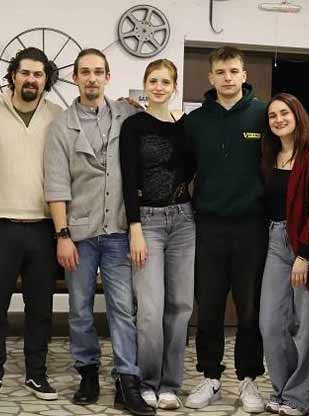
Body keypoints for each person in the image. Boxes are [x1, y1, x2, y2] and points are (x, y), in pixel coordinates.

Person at [43, 48, 154, 416]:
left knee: (123, 309)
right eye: (85, 72)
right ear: (75, 77)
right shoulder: (61, 126)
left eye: (98, 72)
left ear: (108, 77)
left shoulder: (127, 116)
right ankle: (87, 373)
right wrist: (62, 235)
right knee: (80, 309)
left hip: (119, 231)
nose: (92, 78)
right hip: (80, 235)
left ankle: (127, 380)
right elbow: (56, 184)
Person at [0, 47, 63, 403]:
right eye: (25, 72)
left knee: (40, 309)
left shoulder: (57, 115)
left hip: (43, 226)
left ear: (46, 80)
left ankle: (36, 374)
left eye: (38, 74)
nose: (31, 80)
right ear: (13, 75)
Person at [183, 46, 268, 414]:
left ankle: (248, 379)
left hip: (252, 227)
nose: (228, 78)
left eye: (234, 71)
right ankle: (210, 377)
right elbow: (181, 168)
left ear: (244, 75)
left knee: (250, 309)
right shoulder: (195, 121)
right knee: (210, 306)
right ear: (211, 77)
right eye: (221, 72)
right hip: (209, 226)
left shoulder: (263, 115)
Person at [119, 59, 194, 411]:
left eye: (166, 81)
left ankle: (170, 385)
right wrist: (134, 227)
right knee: (150, 308)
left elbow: (194, 170)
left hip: (184, 220)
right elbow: (128, 177)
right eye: (153, 81)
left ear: (175, 86)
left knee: (180, 306)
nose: (159, 87)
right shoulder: (133, 125)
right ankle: (147, 381)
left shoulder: (187, 126)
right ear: (145, 85)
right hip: (147, 221)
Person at [257, 93, 309, 416]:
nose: (279, 120)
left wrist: (305, 254)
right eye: (272, 116)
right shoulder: (269, 156)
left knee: (307, 327)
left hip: (305, 244)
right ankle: (281, 390)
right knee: (270, 323)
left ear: (297, 115)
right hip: (275, 240)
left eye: (284, 113)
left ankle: (299, 398)